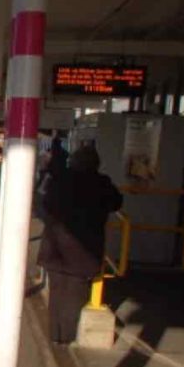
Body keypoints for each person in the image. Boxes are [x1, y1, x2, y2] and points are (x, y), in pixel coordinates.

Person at [38, 145, 123, 344]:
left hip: (55, 246)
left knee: (57, 293)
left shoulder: (61, 179)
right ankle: (67, 337)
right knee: (76, 296)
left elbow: (46, 204)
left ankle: (55, 335)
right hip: (84, 250)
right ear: (96, 164)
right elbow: (117, 203)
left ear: (73, 161)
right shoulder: (102, 183)